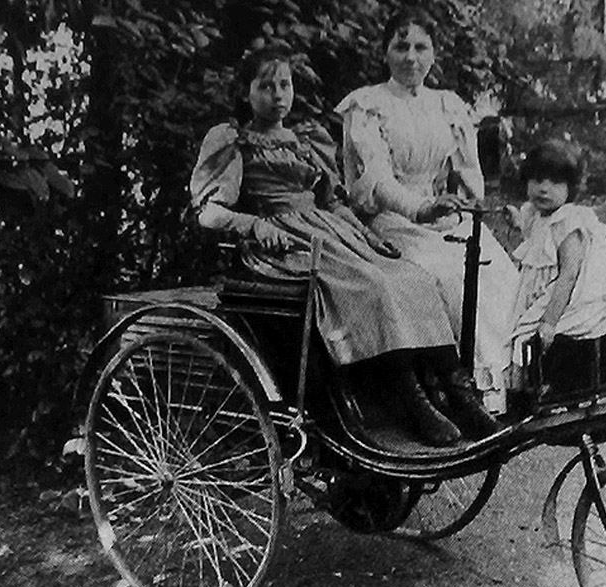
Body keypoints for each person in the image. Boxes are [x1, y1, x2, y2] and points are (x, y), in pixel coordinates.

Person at [189, 45, 499, 445]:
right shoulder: (235, 143)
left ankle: (458, 393)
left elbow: (333, 201)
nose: (278, 95)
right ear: (246, 92)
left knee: (411, 276)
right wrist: (254, 224)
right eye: (266, 86)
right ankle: (409, 399)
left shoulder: (305, 140)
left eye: (285, 85)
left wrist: (368, 235)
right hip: (282, 246)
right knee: (374, 285)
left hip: (332, 232)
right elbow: (209, 212)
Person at [335, 6, 519, 414]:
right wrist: (419, 208)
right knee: (450, 276)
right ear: (385, 52)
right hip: (392, 220)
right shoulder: (367, 105)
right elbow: (377, 179)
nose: (411, 58)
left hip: (442, 214)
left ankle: (510, 386)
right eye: (401, 47)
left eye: (421, 47)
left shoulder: (447, 104)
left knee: (496, 269)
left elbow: (468, 171)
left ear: (434, 53)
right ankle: (462, 391)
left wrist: (476, 207)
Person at [504, 140, 606, 387]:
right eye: (537, 180)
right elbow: (538, 241)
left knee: (525, 337)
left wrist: (550, 321)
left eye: (554, 182)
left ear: (570, 188)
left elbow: (569, 274)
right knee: (511, 327)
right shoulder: (536, 213)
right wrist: (517, 222)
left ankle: (528, 390)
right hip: (542, 288)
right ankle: (522, 389)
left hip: (569, 296)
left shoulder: (568, 220)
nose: (543, 189)